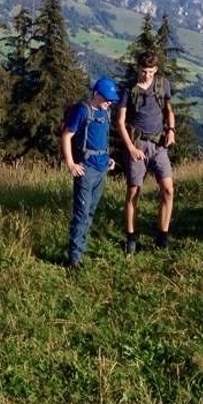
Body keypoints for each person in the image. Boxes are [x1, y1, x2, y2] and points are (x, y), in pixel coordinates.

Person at [116, 52, 176, 253]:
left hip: (159, 145)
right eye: (143, 71)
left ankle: (162, 236)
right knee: (134, 191)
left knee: (168, 190)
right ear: (137, 69)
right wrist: (131, 148)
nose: (146, 76)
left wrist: (171, 131)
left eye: (150, 72)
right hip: (138, 145)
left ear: (155, 70)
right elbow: (120, 122)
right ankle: (131, 238)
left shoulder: (162, 84)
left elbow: (169, 110)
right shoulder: (128, 90)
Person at [62, 77, 120, 269]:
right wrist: (71, 163)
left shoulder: (106, 112)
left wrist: (108, 159)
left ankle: (80, 250)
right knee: (82, 212)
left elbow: (101, 139)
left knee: (91, 211)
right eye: (107, 98)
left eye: (111, 99)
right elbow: (67, 135)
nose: (109, 102)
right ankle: (74, 258)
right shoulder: (83, 110)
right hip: (86, 169)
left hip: (102, 168)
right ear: (96, 94)